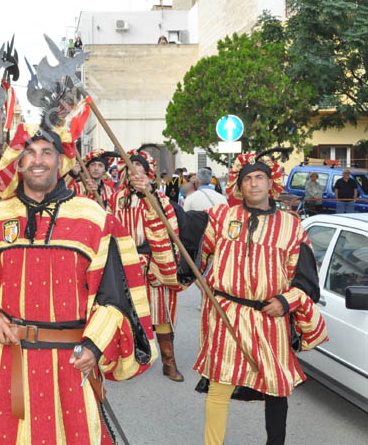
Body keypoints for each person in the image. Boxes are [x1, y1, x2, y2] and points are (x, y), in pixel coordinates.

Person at [0, 121, 156, 444]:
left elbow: (114, 297)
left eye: (47, 152)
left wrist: (94, 346)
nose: (38, 160)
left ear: (61, 160)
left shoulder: (95, 219)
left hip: (73, 362)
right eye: (30, 152)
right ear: (18, 162)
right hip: (11, 361)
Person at [131, 149, 328, 445]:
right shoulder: (221, 217)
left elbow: (304, 279)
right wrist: (151, 194)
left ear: (271, 182)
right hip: (226, 314)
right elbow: (182, 226)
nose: (253, 184)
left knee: (276, 387)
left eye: (259, 177)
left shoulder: (290, 225)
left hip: (269, 317)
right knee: (220, 384)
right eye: (247, 178)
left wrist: (285, 302)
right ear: (239, 185)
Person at [109, 147, 186, 382]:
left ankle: (168, 362)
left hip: (153, 262)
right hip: (125, 262)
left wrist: (149, 195)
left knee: (160, 313)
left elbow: (170, 228)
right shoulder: (116, 198)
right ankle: (130, 360)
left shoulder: (159, 198)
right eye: (132, 172)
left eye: (140, 171)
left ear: (148, 174)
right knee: (126, 313)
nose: (136, 176)